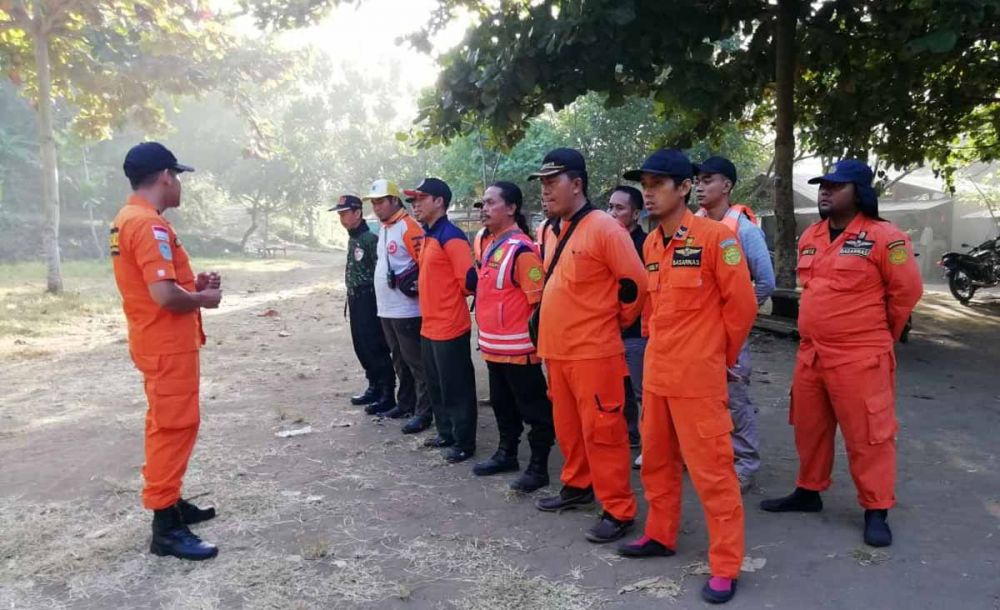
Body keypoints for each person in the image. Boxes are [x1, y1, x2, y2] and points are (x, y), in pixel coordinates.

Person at [615, 149, 758, 604]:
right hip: (657, 376)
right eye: (645, 184)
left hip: (698, 380)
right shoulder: (652, 245)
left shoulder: (718, 239)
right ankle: (660, 535)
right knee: (656, 464)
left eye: (659, 183)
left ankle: (726, 563)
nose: (649, 192)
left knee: (714, 474)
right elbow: (656, 312)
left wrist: (716, 358)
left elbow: (742, 307)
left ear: (684, 187)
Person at [760, 160, 923, 549]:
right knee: (809, 429)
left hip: (860, 357)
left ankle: (876, 508)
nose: (825, 192)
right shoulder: (812, 235)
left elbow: (906, 292)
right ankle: (808, 491)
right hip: (812, 354)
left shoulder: (886, 237)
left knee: (869, 437)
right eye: (823, 186)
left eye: (836, 186)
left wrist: (881, 333)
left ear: (860, 192)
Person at [110, 142, 222, 561]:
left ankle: (170, 500)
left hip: (157, 342)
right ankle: (165, 525)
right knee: (172, 428)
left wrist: (193, 286)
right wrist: (202, 300)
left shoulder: (129, 219)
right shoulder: (148, 225)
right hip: (166, 344)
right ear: (164, 177)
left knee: (169, 424)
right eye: (177, 176)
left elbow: (160, 285)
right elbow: (162, 295)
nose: (178, 184)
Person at [530, 148, 647, 544]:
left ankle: (618, 509)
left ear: (576, 184)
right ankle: (577, 485)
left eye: (552, 181)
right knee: (569, 428)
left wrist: (609, 324)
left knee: (604, 432)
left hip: (596, 353)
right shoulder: (551, 230)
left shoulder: (604, 228)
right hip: (557, 352)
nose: (545, 190)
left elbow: (634, 287)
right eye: (542, 183)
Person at [694, 156, 776, 492]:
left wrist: (737, 317)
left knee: (735, 398)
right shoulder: (690, 226)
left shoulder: (743, 229)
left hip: (729, 335)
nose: (699, 186)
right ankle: (709, 457)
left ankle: (745, 465)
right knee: (700, 397)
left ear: (726, 185)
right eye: (697, 180)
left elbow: (765, 282)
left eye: (708, 180)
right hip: (694, 334)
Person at [470, 181, 555, 491]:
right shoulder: (488, 243)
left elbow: (538, 303)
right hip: (493, 348)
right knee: (502, 405)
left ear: (511, 208)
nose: (484, 209)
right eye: (482, 203)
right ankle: (506, 453)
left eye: (491, 203)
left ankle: (539, 466)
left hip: (520, 351)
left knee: (534, 410)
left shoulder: (522, 250)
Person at [405, 178, 479, 463]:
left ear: (439, 201)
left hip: (450, 325)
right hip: (430, 325)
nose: (415, 205)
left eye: (421, 199)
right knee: (436, 383)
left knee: (456, 385)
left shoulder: (452, 236)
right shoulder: (428, 236)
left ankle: (464, 441)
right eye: (413, 200)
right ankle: (446, 432)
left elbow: (468, 282)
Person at [363, 179, 432, 433]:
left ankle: (424, 412)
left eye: (381, 201)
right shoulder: (384, 228)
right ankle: (406, 403)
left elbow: (424, 265)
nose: (377, 207)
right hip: (387, 308)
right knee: (399, 360)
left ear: (394, 200)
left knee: (416, 363)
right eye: (373, 203)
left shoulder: (408, 226)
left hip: (407, 309)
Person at [331, 195, 396, 413]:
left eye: (344, 213)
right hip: (355, 298)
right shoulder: (354, 238)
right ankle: (373, 386)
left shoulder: (370, 238)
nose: (341, 218)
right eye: (339, 214)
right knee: (361, 345)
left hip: (369, 297)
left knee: (375, 345)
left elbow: (380, 271)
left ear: (358, 213)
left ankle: (387, 393)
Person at [607, 185, 648, 449]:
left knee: (639, 390)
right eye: (610, 207)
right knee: (617, 389)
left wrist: (625, 321)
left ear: (635, 214)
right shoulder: (605, 240)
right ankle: (629, 434)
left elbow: (642, 291)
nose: (612, 213)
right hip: (609, 330)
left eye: (619, 208)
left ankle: (650, 442)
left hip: (635, 330)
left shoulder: (646, 245)